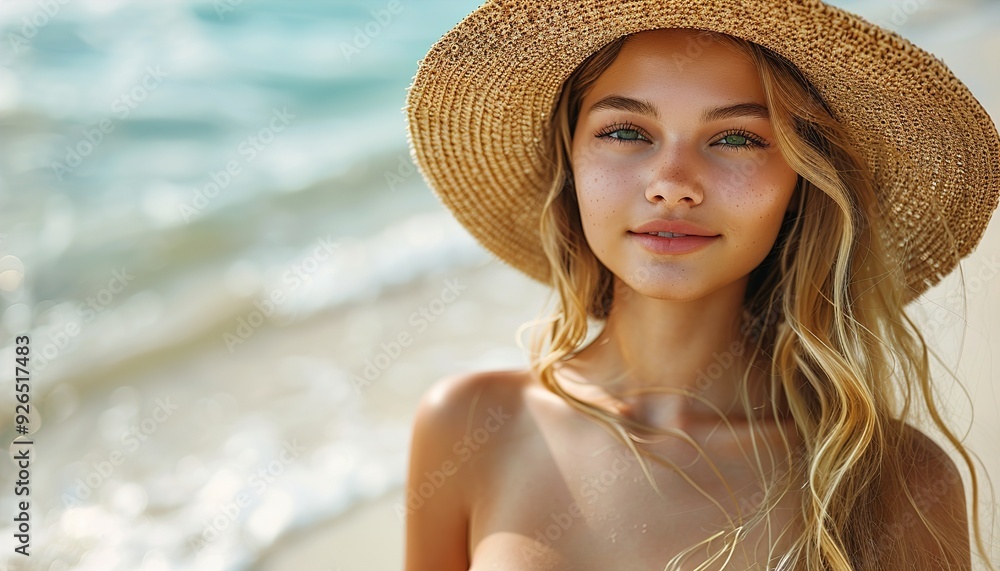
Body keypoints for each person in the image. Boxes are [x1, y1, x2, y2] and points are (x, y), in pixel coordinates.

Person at [403, 1, 999, 569]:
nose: (671, 184)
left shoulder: (893, 484)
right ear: (571, 162)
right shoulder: (470, 426)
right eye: (626, 132)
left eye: (736, 138)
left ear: (801, 182)